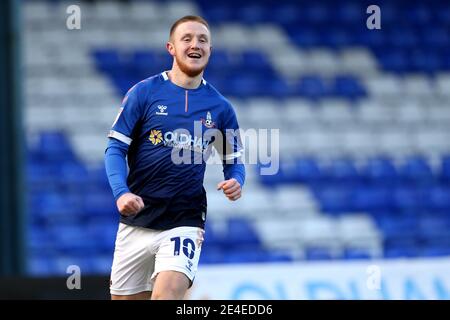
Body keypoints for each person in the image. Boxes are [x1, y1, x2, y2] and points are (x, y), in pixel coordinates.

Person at [104, 15, 245, 300]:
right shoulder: (144, 93)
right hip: (137, 219)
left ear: (210, 50)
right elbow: (115, 149)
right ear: (171, 48)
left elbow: (235, 159)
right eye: (187, 39)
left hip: (185, 219)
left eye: (203, 40)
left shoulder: (220, 108)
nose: (196, 45)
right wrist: (121, 193)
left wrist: (235, 179)